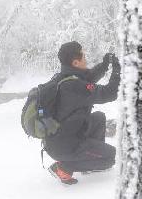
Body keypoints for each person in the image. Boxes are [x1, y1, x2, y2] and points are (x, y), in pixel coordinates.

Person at [45, 41, 120, 185]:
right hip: (66, 146)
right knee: (112, 157)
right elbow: (110, 93)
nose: (86, 58)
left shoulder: (65, 77)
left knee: (98, 117)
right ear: (75, 62)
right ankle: (64, 168)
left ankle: (90, 159)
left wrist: (105, 64)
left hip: (60, 138)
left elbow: (88, 77)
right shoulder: (74, 86)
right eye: (84, 56)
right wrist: (117, 71)